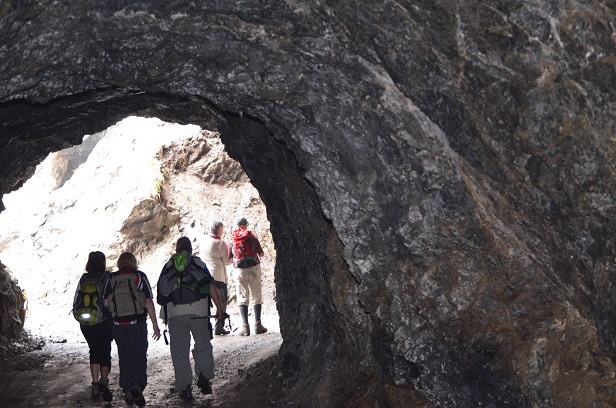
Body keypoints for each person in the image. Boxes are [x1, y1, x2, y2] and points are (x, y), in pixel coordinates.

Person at [157, 237, 223, 400]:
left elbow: (162, 293)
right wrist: (219, 309)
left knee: (179, 352)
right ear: (191, 249)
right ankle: (204, 377)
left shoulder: (169, 265)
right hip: (198, 312)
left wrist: (165, 317)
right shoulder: (198, 263)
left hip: (175, 314)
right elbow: (211, 286)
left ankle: (184, 387)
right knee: (202, 345)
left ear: (177, 250)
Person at [103, 252, 161, 406]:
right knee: (139, 355)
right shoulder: (139, 276)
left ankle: (127, 391)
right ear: (133, 262)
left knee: (125, 356)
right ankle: (138, 385)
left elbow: (106, 303)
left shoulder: (111, 278)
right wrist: (155, 325)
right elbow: (148, 301)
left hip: (117, 326)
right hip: (137, 324)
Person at [73, 251, 114, 402]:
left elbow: (77, 298)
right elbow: (110, 300)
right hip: (103, 321)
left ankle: (95, 385)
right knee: (105, 351)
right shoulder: (107, 277)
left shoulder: (84, 278)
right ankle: (104, 380)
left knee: (94, 351)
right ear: (103, 262)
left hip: (86, 322)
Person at [228, 217, 267, 336]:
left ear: (237, 226)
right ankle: (258, 324)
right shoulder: (252, 237)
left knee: (242, 297)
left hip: (239, 270)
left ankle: (245, 327)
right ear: (245, 225)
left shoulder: (231, 239)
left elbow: (230, 259)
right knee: (256, 296)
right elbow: (261, 253)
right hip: (254, 268)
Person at [201, 221, 232, 335]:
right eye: (222, 230)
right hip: (219, 276)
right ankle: (219, 325)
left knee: (206, 302)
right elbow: (227, 262)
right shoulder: (220, 243)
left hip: (206, 276)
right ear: (219, 231)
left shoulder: (204, 241)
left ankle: (205, 326)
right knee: (222, 301)